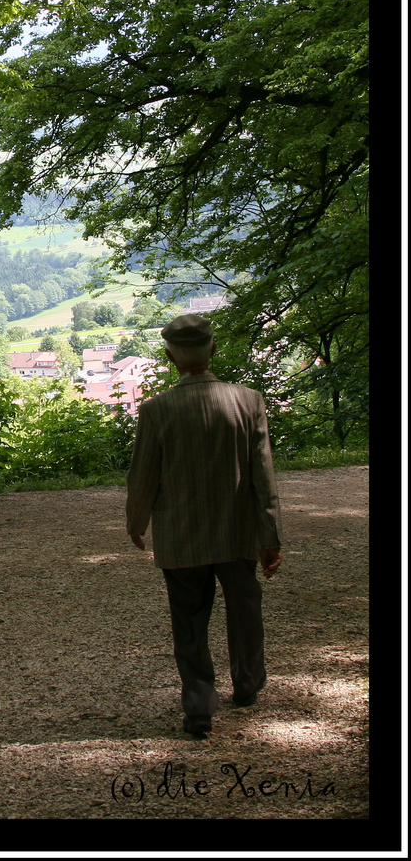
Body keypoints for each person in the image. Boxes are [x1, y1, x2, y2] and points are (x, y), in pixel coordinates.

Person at [126, 314, 284, 738]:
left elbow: (144, 475)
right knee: (245, 610)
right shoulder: (249, 402)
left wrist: (136, 520)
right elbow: (262, 477)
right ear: (213, 350)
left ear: (170, 357)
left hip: (181, 537)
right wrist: (270, 537)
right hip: (237, 534)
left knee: (189, 621)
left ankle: (199, 705)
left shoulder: (157, 410)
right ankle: (248, 686)